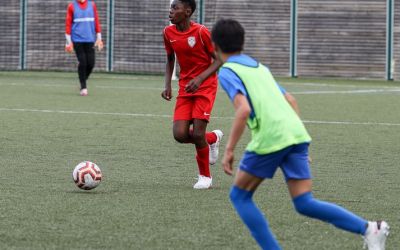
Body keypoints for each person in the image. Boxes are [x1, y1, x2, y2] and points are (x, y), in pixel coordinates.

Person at [211, 19, 389, 250]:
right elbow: (290, 99)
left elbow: (243, 109)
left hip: (272, 137)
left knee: (240, 196)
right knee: (304, 202)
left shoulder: (228, 70)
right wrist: (298, 140)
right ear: (242, 43)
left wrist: (228, 150)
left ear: (214, 45)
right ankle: (369, 228)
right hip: (296, 134)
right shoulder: (259, 67)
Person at [162, 0, 223, 189]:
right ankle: (212, 138)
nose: (170, 11)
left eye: (175, 8)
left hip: (205, 87)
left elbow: (220, 59)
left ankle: (205, 177)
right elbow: (170, 58)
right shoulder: (168, 32)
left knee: (197, 133)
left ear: (187, 11)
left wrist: (200, 79)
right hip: (185, 88)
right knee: (179, 134)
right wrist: (167, 85)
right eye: (171, 7)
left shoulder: (201, 32)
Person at [65, 0, 103, 96]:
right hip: (77, 40)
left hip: (90, 39)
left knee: (91, 63)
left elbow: (96, 21)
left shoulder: (92, 4)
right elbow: (68, 24)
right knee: (83, 62)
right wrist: (68, 42)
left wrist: (99, 38)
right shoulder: (71, 6)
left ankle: (82, 80)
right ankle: (83, 87)